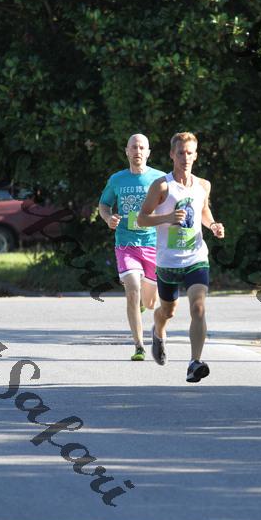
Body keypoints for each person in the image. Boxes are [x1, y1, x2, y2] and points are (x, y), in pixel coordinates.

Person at [137, 131, 224, 382]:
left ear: (196, 155)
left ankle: (195, 362)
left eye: (190, 153)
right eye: (181, 153)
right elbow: (142, 218)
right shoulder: (162, 185)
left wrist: (213, 225)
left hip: (196, 257)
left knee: (198, 307)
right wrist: (167, 217)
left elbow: (203, 211)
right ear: (172, 155)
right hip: (168, 261)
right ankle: (158, 331)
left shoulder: (203, 185)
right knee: (168, 311)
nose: (185, 157)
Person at [99, 134, 165, 361]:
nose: (137, 151)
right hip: (126, 244)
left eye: (142, 147)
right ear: (127, 151)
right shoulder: (117, 179)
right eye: (133, 147)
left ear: (148, 152)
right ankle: (139, 346)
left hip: (153, 244)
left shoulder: (159, 178)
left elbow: (171, 206)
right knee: (132, 288)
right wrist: (108, 218)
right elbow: (104, 204)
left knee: (150, 302)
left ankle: (143, 304)